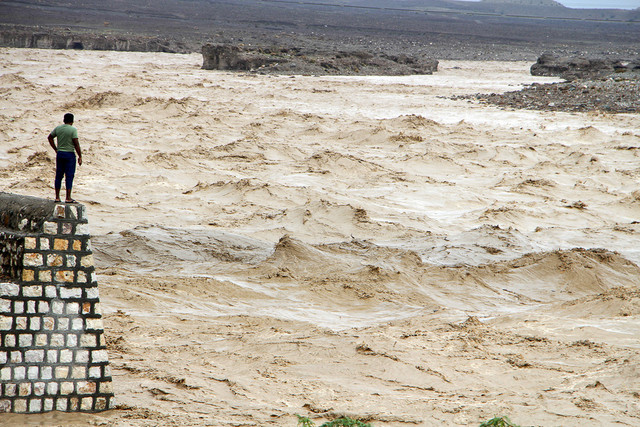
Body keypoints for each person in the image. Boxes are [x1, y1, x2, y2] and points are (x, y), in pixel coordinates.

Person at [48, 113, 83, 203]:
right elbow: (76, 143)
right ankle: (68, 198)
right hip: (70, 155)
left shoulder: (58, 128)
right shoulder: (73, 130)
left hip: (60, 154)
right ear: (72, 121)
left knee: (59, 176)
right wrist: (80, 156)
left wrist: (56, 149)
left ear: (64, 120)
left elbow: (50, 137)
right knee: (69, 176)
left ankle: (57, 197)